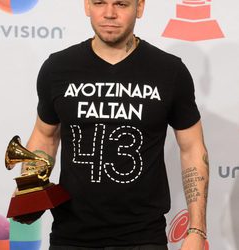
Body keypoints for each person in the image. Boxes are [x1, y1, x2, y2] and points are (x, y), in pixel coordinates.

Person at [19, 0, 209, 249]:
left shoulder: (169, 71)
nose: (109, 13)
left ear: (139, 8)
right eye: (99, 3)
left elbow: (193, 149)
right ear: (87, 6)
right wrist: (30, 187)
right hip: (71, 236)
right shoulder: (58, 68)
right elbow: (45, 136)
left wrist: (196, 229)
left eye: (121, 4)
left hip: (142, 237)